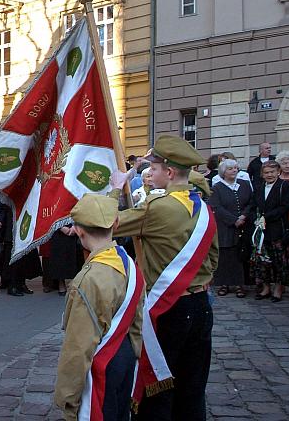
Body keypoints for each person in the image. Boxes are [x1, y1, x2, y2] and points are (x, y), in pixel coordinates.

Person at [110, 135, 218, 421]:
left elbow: (108, 223)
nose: (151, 172)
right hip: (201, 305)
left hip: (169, 308)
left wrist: (113, 189)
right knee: (193, 386)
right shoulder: (204, 209)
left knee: (158, 385)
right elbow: (214, 257)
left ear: (169, 172)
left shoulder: (157, 208)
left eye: (154, 168)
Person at [55, 194, 143, 421]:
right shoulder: (129, 263)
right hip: (125, 357)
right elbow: (137, 321)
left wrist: (67, 397)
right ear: (115, 224)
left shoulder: (88, 279)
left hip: (102, 366)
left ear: (79, 231)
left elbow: (78, 345)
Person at [209, 159, 253, 298]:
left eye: (235, 168)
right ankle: (224, 284)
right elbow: (216, 206)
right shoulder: (217, 188)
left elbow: (251, 202)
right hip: (225, 226)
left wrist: (243, 216)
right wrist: (233, 220)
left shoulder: (244, 185)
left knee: (240, 256)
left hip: (243, 225)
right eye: (230, 169)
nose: (234, 170)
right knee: (225, 255)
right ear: (223, 172)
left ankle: (240, 284)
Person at [250, 160, 289, 302]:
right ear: (262, 174)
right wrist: (255, 218)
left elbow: (285, 206)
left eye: (272, 172)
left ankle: (278, 288)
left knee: (279, 260)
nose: (269, 175)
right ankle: (266, 287)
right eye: (266, 172)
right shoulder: (258, 187)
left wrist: (266, 217)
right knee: (262, 260)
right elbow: (254, 205)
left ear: (278, 172)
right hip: (261, 230)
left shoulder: (285, 185)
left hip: (277, 228)